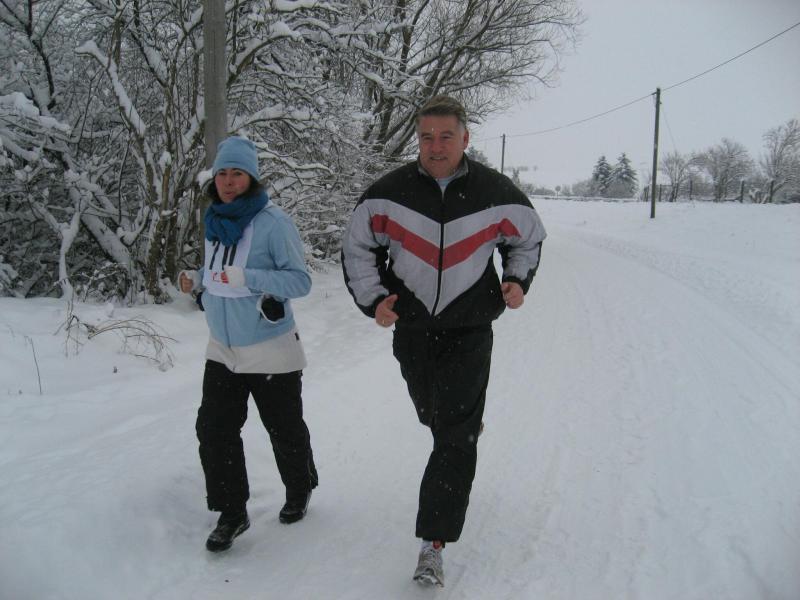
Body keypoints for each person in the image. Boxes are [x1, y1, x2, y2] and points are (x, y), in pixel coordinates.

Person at [341, 96, 546, 586]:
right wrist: (374, 300)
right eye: (427, 137)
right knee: (433, 415)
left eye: (446, 136)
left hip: (470, 329)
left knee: (454, 436)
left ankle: (433, 542)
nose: (435, 146)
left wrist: (517, 280)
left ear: (465, 138)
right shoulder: (387, 194)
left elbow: (527, 237)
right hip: (413, 329)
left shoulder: (497, 192)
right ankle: (455, 425)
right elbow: (357, 246)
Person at [179, 136, 318, 553]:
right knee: (213, 428)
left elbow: (300, 281)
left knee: (284, 428)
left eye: (237, 173)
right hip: (222, 347)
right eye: (222, 173)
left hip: (269, 345)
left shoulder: (274, 223)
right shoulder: (214, 219)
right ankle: (231, 512)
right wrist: (197, 280)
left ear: (252, 179)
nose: (228, 181)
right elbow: (216, 270)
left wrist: (251, 278)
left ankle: (300, 487)